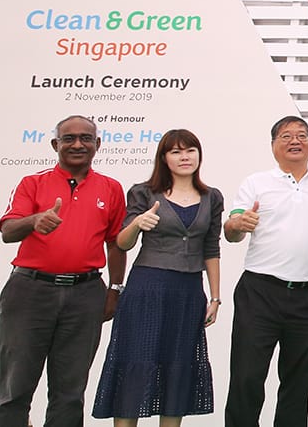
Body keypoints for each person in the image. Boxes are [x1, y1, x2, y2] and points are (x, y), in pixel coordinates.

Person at [0, 115, 126, 427]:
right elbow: (8, 231)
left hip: (85, 295)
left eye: (86, 138)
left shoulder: (111, 188)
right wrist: (34, 220)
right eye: (69, 138)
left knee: (70, 391)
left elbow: (117, 243)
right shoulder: (33, 183)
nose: (78, 144)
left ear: (98, 145)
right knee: (14, 387)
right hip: (29, 292)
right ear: (56, 145)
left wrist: (115, 289)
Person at [93, 129, 224, 424]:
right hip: (147, 288)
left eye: (190, 150)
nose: (185, 157)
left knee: (178, 368)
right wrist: (138, 223)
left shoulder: (212, 197)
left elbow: (211, 248)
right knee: (136, 364)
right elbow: (123, 243)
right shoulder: (143, 192)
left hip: (189, 291)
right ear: (164, 158)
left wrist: (215, 297)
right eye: (176, 152)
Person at [222, 116, 308, 427]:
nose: (295, 141)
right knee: (247, 378)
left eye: (302, 135)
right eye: (286, 135)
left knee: (298, 385)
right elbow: (233, 228)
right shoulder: (256, 183)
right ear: (273, 145)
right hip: (259, 293)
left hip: (307, 296)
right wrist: (237, 225)